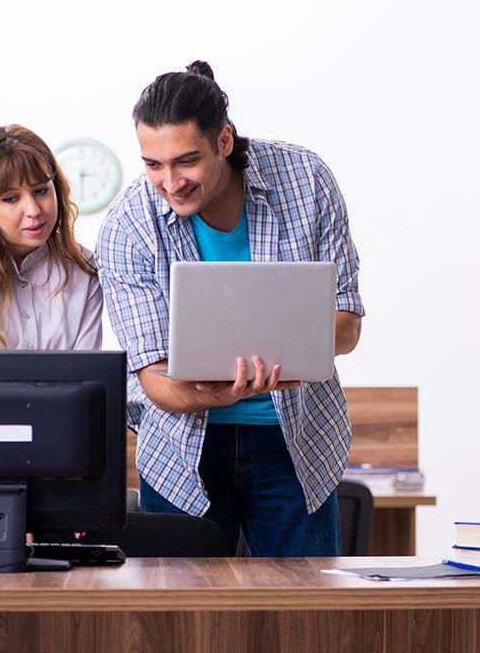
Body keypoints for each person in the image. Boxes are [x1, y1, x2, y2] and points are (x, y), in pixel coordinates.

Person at [95, 61, 364, 556]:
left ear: (223, 140)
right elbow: (154, 380)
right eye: (153, 165)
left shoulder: (306, 180)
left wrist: (284, 350)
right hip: (182, 455)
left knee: (304, 603)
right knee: (185, 606)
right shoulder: (128, 225)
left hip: (295, 445)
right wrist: (217, 395)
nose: (170, 182)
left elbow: (346, 327)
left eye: (186, 161)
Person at [0, 124, 102, 351]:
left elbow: (87, 370)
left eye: (41, 191)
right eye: (11, 198)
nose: (33, 211)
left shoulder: (84, 268)